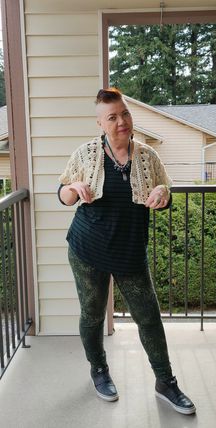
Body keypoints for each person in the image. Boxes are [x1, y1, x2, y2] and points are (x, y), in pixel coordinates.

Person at [57, 88, 196, 415]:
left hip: (130, 253)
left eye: (125, 114)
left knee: (148, 317)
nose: (121, 121)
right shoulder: (86, 154)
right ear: (100, 123)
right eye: (112, 117)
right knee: (91, 315)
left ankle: (166, 382)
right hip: (87, 250)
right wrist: (72, 189)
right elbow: (62, 192)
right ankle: (99, 370)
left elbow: (164, 194)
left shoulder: (147, 157)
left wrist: (163, 192)